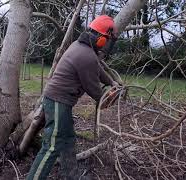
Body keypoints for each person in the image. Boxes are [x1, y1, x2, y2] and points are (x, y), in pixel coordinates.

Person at [26, 15, 117, 180]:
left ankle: (71, 176)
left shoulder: (81, 46)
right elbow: (94, 89)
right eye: (107, 40)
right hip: (58, 102)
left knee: (68, 139)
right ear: (101, 39)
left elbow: (97, 70)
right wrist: (107, 97)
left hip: (61, 101)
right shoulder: (86, 55)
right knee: (52, 146)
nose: (107, 44)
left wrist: (112, 82)